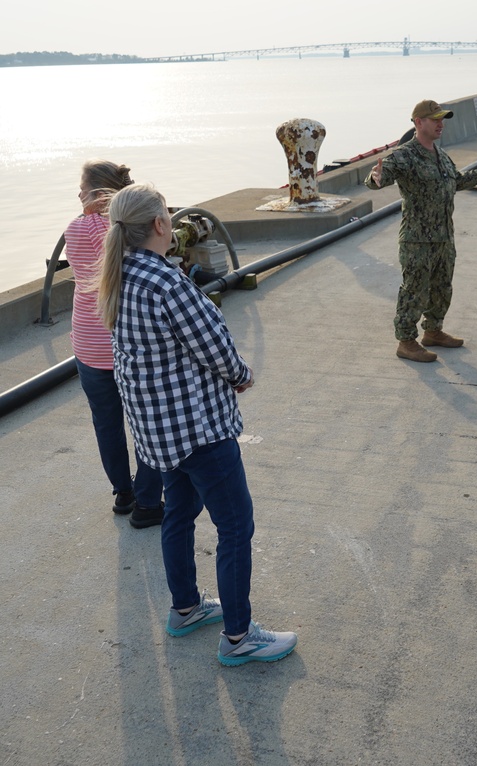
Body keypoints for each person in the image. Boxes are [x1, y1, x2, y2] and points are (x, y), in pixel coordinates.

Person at [97, 183, 297, 666]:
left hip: (158, 432)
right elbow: (213, 345)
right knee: (234, 527)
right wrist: (242, 375)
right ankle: (238, 637)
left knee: (179, 515)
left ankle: (185, 607)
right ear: (161, 225)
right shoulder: (166, 282)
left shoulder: (119, 274)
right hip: (198, 429)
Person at [365, 99, 477, 362]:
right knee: (414, 290)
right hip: (417, 241)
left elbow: (456, 181)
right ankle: (406, 341)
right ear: (419, 122)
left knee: (442, 287)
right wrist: (374, 178)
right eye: (435, 120)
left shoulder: (440, 155)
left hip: (444, 238)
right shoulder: (405, 155)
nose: (440, 124)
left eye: (442, 119)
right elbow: (380, 176)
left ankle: (433, 331)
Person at [65, 160, 164, 527]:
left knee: (106, 423)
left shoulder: (75, 231)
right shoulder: (134, 230)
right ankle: (148, 501)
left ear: (95, 192)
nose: (77, 194)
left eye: (81, 187)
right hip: (133, 345)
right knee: (147, 423)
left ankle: (124, 493)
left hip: (90, 347)